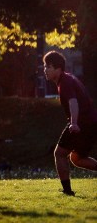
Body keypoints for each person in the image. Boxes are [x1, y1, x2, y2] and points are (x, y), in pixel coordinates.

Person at [43, 50, 97, 196]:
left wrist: (74, 123)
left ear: (58, 68)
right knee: (77, 158)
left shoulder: (65, 82)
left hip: (82, 123)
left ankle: (67, 191)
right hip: (92, 123)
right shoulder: (68, 79)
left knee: (59, 153)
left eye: (48, 66)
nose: (45, 70)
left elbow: (73, 102)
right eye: (44, 66)